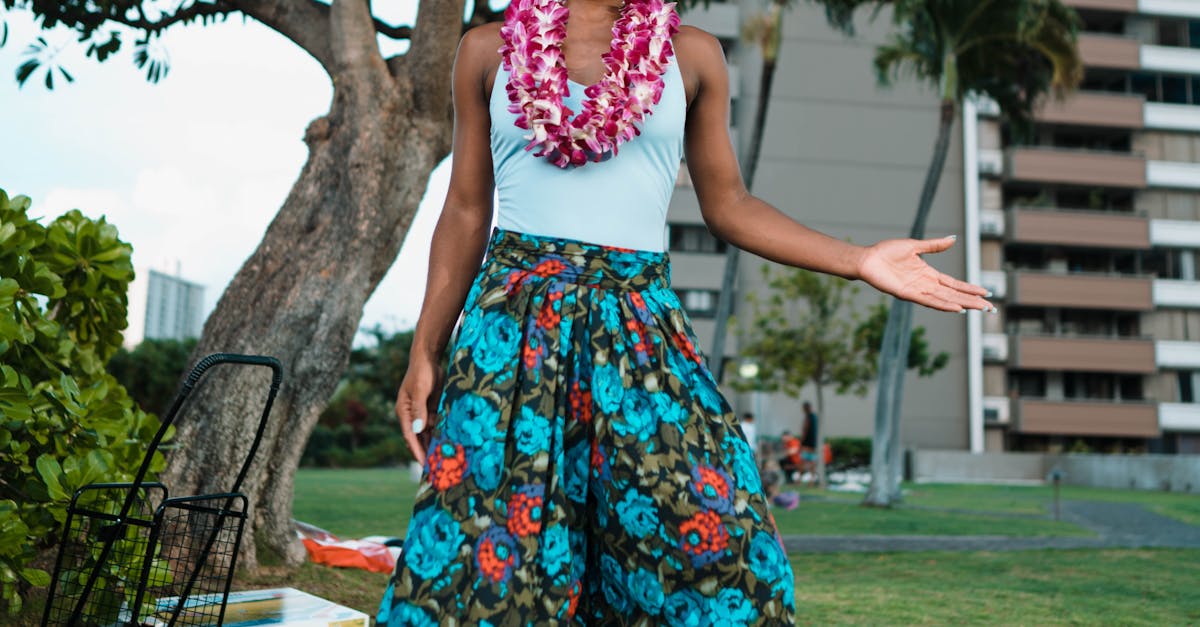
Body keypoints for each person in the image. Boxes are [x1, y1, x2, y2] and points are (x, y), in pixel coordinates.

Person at [377, 0, 992, 621]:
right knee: (491, 557)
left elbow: (729, 206)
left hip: (638, 326)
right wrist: (425, 350)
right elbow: (464, 208)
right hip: (512, 333)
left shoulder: (692, 53)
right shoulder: (487, 47)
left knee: (721, 545)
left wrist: (858, 259)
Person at [800, 401, 819, 475]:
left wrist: (802, 441)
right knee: (812, 461)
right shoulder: (814, 417)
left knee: (803, 460)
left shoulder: (808, 417)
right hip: (813, 442)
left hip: (807, 443)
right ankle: (812, 479)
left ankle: (799, 479)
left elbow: (805, 429)